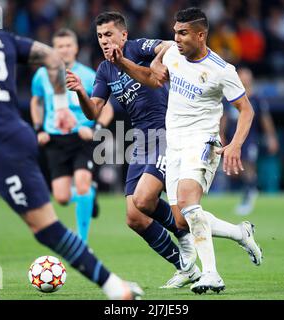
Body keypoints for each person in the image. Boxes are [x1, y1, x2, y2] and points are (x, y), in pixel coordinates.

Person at [0, 0, 141, 300]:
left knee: (47, 230)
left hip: (5, 146)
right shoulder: (4, 38)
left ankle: (115, 288)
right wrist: (63, 107)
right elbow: (51, 57)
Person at [103, 7, 263, 294]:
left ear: (201, 35)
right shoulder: (173, 55)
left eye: (183, 33)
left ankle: (211, 274)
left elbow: (246, 109)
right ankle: (241, 233)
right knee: (182, 219)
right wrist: (124, 63)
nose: (175, 38)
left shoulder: (222, 70)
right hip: (173, 143)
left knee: (189, 203)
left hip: (202, 142)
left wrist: (235, 144)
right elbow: (150, 79)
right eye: (175, 32)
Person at [66, 11, 200, 289]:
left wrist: (155, 61)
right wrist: (80, 90)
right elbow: (93, 112)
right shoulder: (104, 69)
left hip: (165, 132)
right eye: (100, 36)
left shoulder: (137, 47)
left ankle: (187, 236)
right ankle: (185, 265)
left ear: (123, 35)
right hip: (140, 140)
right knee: (134, 217)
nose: (104, 41)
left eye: (109, 35)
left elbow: (168, 45)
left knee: (144, 199)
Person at [30, 28, 113, 243]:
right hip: (56, 139)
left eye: (68, 45)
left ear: (75, 48)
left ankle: (82, 243)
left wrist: (95, 130)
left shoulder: (87, 75)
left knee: (82, 183)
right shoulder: (42, 75)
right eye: (60, 46)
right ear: (53, 50)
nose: (64, 50)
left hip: (82, 137)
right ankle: (88, 197)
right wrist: (39, 128)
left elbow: (108, 108)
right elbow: (36, 101)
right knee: (62, 197)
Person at [221, 67, 279, 215]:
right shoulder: (230, 98)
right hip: (233, 139)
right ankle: (250, 189)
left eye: (248, 76)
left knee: (248, 166)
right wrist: (221, 134)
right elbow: (224, 119)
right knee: (235, 170)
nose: (245, 79)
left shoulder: (256, 99)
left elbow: (266, 120)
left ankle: (250, 193)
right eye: (243, 76)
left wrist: (271, 137)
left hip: (249, 139)